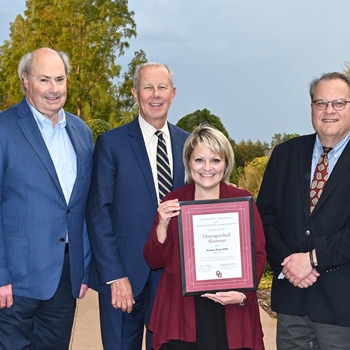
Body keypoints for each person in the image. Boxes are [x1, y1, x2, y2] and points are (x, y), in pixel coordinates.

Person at [86, 62, 189, 349]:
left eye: (162, 87)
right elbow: (99, 213)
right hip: (125, 277)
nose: (155, 95)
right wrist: (114, 275)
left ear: (173, 93)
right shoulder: (112, 143)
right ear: (135, 93)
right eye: (148, 87)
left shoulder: (188, 145)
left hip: (173, 278)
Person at [0, 48, 94, 349]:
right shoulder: (3, 128)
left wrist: (83, 267)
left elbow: (82, 206)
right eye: (44, 79)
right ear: (25, 80)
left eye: (60, 79)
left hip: (65, 279)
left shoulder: (81, 133)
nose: (54, 89)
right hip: (14, 280)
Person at [144, 124, 266, 350]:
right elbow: (155, 261)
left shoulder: (241, 200)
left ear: (226, 163)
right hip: (182, 312)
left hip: (230, 308)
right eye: (199, 160)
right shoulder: (173, 201)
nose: (207, 168)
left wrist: (241, 294)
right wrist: (162, 224)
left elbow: (257, 253)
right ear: (189, 163)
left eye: (215, 160)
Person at [256, 72, 350, 349]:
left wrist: (313, 258)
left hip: (342, 306)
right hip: (292, 300)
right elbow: (266, 216)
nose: (329, 110)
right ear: (311, 108)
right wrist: (288, 261)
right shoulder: (285, 154)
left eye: (339, 103)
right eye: (321, 103)